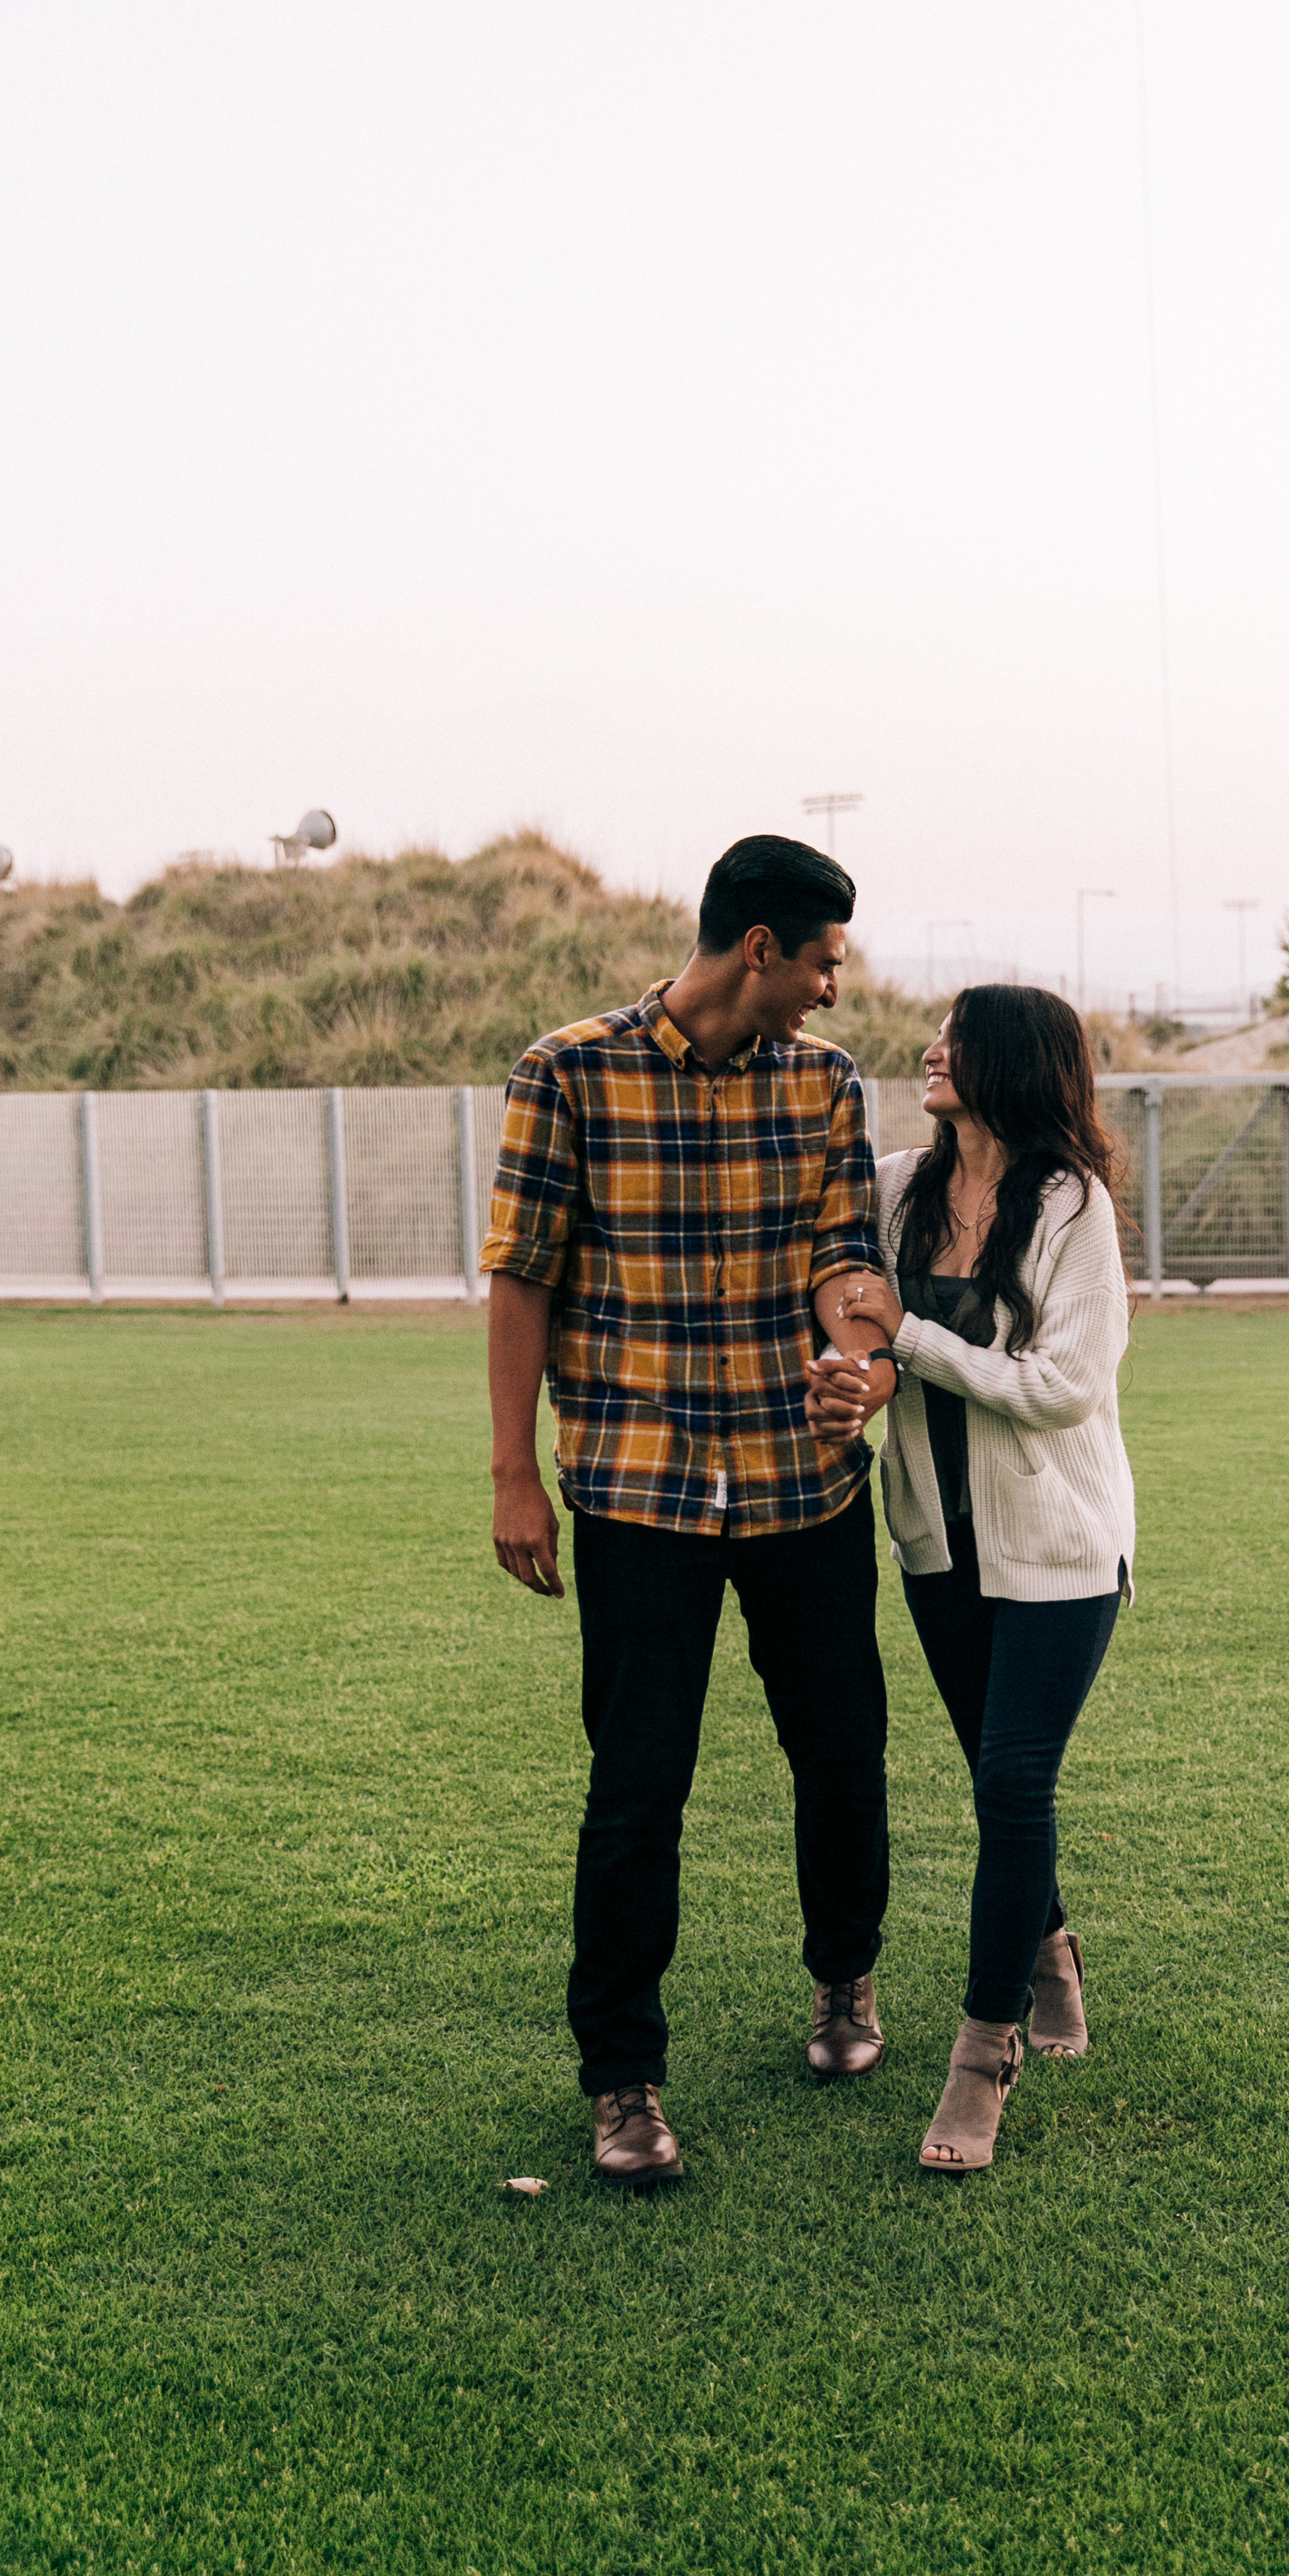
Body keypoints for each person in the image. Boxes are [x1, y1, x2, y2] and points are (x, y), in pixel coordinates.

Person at [483, 834, 904, 2189]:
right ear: (761, 948)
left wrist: (863, 1359)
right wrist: (511, 1473)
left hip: (803, 1485)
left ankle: (845, 1979)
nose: (838, 987)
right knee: (639, 1779)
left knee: (841, 1751)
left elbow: (851, 1258)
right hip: (637, 1489)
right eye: (825, 960)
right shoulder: (569, 1072)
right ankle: (622, 2077)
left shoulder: (830, 1088)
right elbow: (521, 1279)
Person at [805, 985, 1136, 2174]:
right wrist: (860, 1352)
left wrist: (916, 1339)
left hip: (1058, 1545)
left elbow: (1063, 1386)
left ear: (1015, 1062)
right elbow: (849, 1303)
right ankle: (1048, 1944)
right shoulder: (900, 1185)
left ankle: (979, 2054)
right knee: (998, 1782)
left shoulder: (1070, 1205)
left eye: (958, 1035)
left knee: (1010, 1778)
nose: (932, 1049)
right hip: (938, 1544)